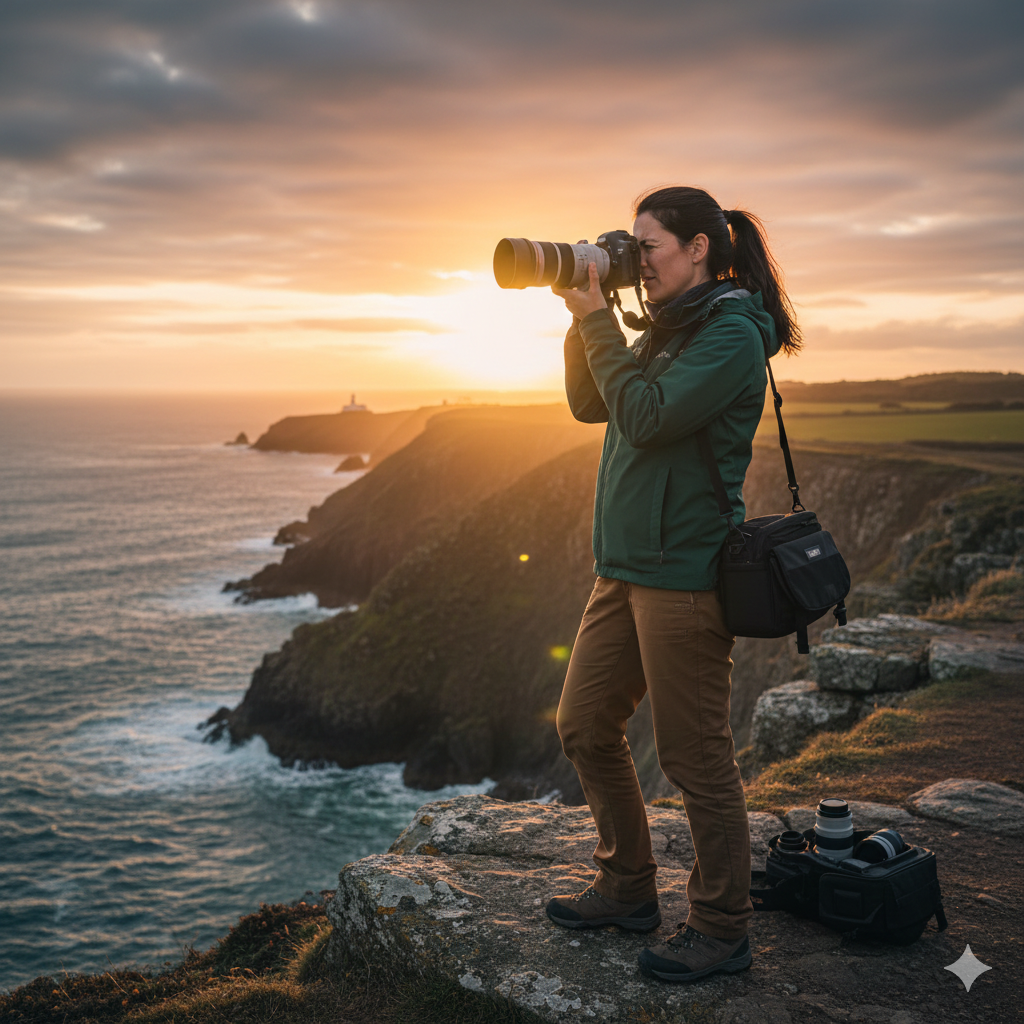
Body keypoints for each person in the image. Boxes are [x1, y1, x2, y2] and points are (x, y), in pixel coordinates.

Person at [544, 185, 801, 983]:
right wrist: (581, 309)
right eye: (634, 245)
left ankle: (722, 928)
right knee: (584, 724)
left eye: (647, 246)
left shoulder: (729, 335)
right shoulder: (667, 326)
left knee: (693, 759)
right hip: (624, 568)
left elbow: (649, 418)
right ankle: (626, 888)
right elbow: (595, 403)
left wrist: (598, 319)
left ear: (699, 248)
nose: (639, 259)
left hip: (685, 574)